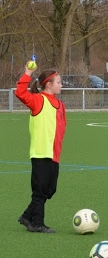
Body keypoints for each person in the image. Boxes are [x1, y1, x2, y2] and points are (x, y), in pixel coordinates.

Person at [15, 64, 66, 233]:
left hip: (54, 154)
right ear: (48, 84)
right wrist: (28, 73)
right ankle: (37, 223)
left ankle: (26, 216)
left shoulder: (60, 105)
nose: (61, 85)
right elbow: (20, 93)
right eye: (58, 82)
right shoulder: (38, 100)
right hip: (41, 152)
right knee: (39, 190)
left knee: (50, 190)